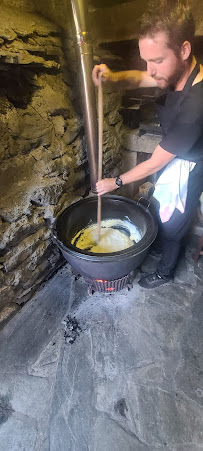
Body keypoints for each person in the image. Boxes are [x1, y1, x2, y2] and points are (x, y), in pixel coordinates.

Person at [92, 0, 203, 288]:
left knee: (176, 220)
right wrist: (113, 77)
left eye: (156, 61)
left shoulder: (196, 105)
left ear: (184, 50)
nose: (150, 70)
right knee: (159, 204)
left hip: (193, 161)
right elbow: (141, 78)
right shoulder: (173, 71)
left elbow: (155, 161)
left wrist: (114, 182)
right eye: (146, 60)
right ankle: (159, 242)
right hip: (176, 151)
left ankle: (165, 271)